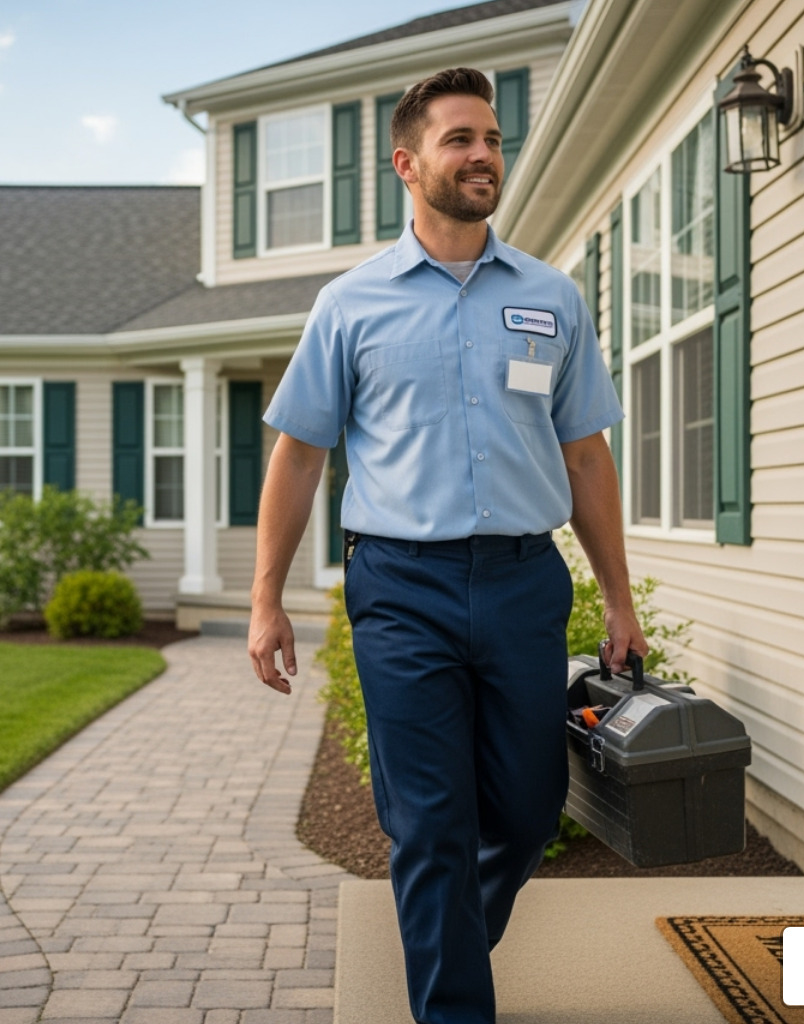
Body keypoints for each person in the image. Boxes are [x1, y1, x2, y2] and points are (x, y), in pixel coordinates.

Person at [247, 67, 649, 1024]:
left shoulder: (552, 297)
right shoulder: (351, 304)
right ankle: (455, 1008)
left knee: (524, 809)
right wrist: (266, 601)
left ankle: (447, 944)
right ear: (407, 162)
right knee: (428, 825)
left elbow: (587, 459)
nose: (483, 155)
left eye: (493, 139)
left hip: (521, 582)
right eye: (460, 139)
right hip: (400, 587)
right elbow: (299, 457)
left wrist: (619, 600)